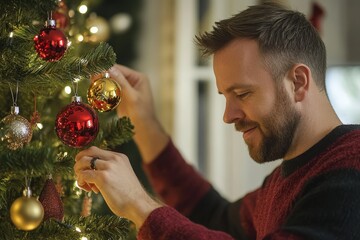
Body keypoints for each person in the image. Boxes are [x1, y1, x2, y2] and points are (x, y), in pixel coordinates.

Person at [74, 2, 360, 239]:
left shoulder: (350, 174)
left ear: (298, 82)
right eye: (225, 96)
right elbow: (211, 216)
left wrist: (138, 204)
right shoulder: (288, 177)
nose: (228, 115)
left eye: (243, 93)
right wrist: (145, 123)